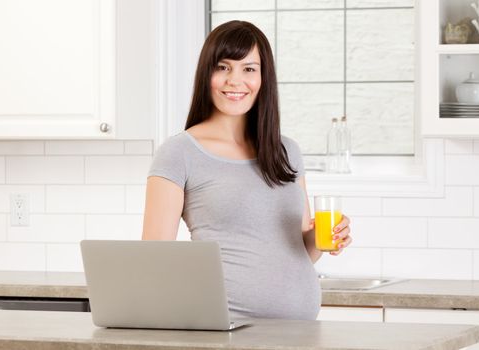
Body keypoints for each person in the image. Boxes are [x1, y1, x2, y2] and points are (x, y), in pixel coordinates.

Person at [142, 20, 352, 320]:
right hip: (225, 329)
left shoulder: (286, 151)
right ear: (207, 74)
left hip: (300, 331)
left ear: (263, 78)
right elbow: (154, 260)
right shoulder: (179, 152)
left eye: (249, 69)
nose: (235, 81)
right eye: (223, 67)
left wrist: (326, 235)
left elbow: (302, 250)